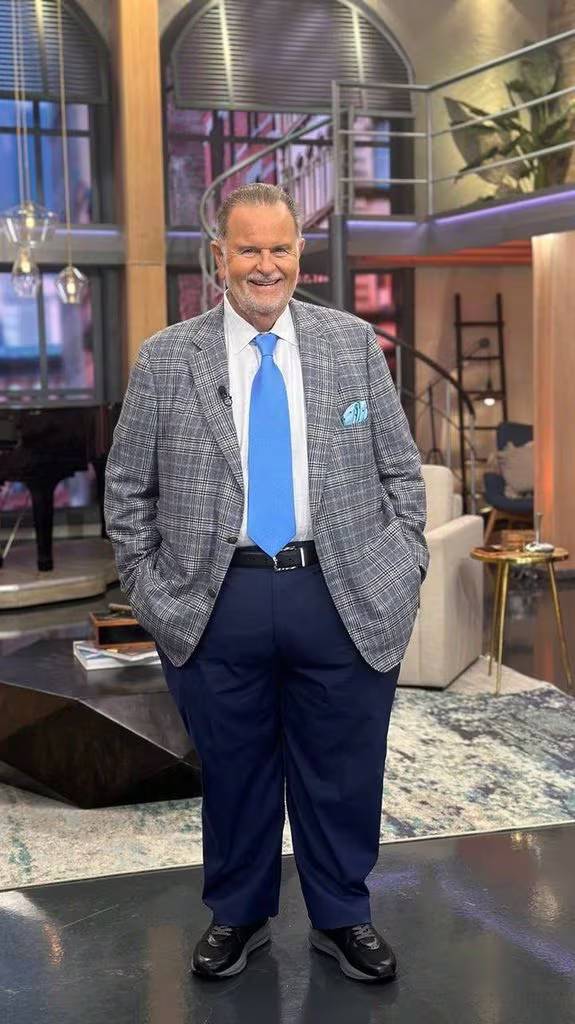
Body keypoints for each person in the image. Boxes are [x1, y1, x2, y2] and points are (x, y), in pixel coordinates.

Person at [104, 183, 428, 984]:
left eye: (279, 248)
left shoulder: (352, 344)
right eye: (248, 249)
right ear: (219, 256)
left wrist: (405, 562)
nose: (265, 265)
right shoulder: (167, 357)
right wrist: (147, 586)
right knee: (235, 770)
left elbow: (400, 470)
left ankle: (342, 917)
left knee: (343, 768)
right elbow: (127, 487)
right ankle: (238, 915)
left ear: (298, 255)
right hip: (218, 597)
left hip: (341, 590)